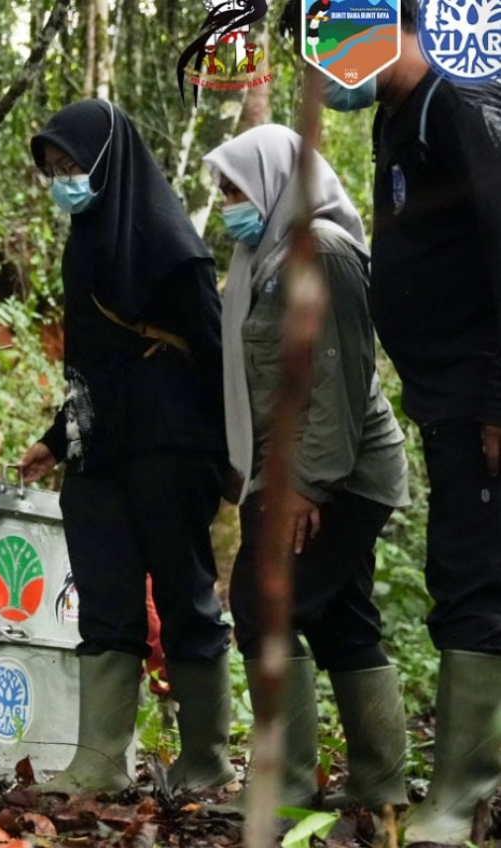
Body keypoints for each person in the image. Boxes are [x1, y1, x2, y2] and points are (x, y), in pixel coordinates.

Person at [282, 0, 501, 837]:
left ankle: (462, 796)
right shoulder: (397, 118)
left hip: (479, 392)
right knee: (462, 573)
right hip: (443, 398)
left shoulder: (460, 102)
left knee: (473, 578)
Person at [19, 99, 234, 796]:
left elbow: (217, 356)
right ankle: (100, 762)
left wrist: (236, 453)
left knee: (183, 596)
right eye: (53, 169)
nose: (63, 180)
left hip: (171, 446)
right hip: (98, 452)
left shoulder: (172, 249)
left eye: (72, 165)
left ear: (111, 162)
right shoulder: (84, 244)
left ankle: (205, 758)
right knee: (105, 597)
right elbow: (97, 365)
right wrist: (55, 441)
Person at [204, 124, 410, 810]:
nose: (229, 204)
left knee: (261, 603)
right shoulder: (259, 258)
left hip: (339, 470)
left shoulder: (321, 251)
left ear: (276, 182)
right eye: (223, 192)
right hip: (295, 467)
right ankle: (380, 787)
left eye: (237, 189)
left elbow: (337, 382)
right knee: (340, 620)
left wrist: (304, 486)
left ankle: (283, 785)